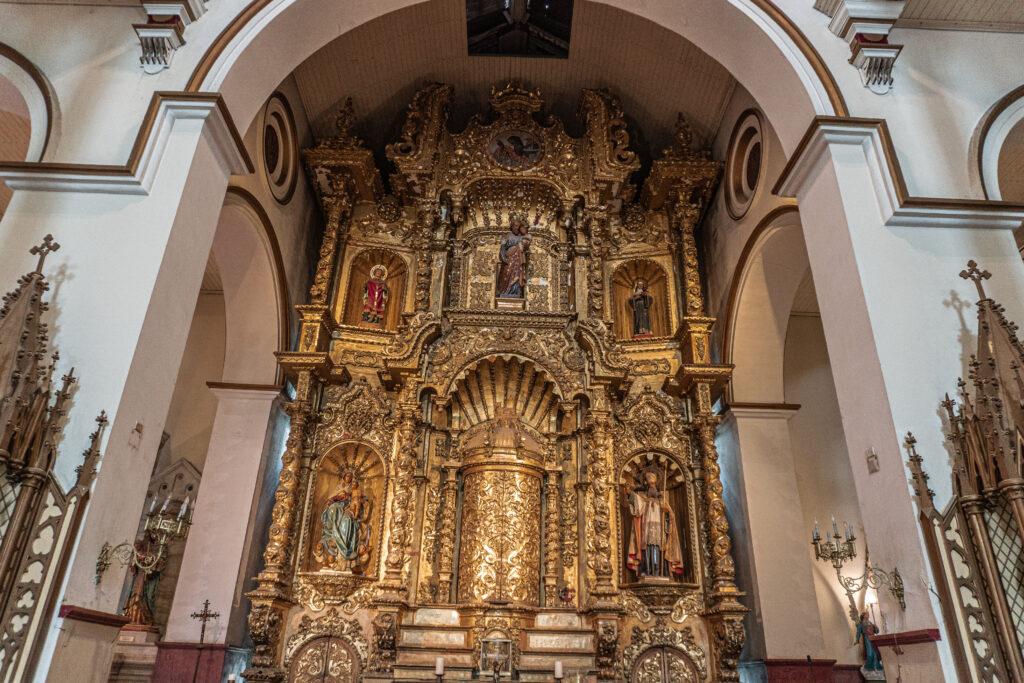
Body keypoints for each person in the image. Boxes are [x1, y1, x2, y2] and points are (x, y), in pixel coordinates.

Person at [625, 470, 684, 579]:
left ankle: (662, 573)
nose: (652, 487)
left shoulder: (663, 501)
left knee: (660, 551)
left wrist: (667, 513)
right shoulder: (643, 499)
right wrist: (629, 493)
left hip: (660, 533)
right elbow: (636, 502)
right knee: (647, 551)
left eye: (654, 484)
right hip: (646, 531)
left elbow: (671, 516)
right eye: (650, 484)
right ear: (647, 485)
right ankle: (646, 571)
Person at [496, 218, 534, 298]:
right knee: (506, 274)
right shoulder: (507, 236)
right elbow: (503, 247)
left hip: (518, 260)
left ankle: (515, 292)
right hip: (509, 259)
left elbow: (526, 249)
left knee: (517, 276)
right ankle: (505, 291)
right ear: (512, 226)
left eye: (518, 226)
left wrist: (525, 248)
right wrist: (503, 257)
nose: (517, 228)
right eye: (515, 226)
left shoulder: (522, 237)